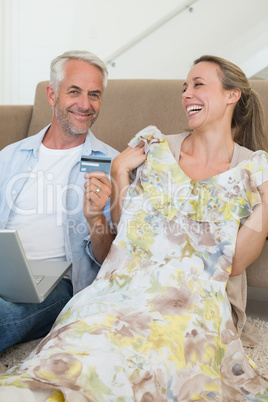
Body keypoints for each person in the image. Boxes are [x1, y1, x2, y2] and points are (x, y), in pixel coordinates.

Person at [0, 55, 268, 400]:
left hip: (190, 296)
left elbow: (235, 264)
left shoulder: (251, 167)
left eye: (197, 85)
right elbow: (129, 242)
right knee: (72, 349)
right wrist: (119, 174)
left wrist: (264, 204)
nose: (186, 94)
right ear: (52, 96)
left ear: (232, 95)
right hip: (127, 283)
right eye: (184, 87)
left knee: (147, 357)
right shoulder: (154, 149)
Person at [0, 50, 118, 354]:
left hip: (60, 285)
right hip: (4, 270)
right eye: (74, 91)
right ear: (52, 95)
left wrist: (97, 221)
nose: (84, 104)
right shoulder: (11, 156)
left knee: (6, 316)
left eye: (94, 94)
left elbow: (112, 261)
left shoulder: (110, 165)